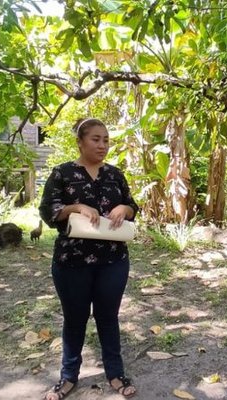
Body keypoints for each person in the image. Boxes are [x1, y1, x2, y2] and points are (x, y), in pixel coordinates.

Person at [39, 118, 139, 399]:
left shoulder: (115, 175)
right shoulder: (63, 173)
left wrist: (123, 208)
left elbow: (133, 206)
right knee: (75, 318)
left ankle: (116, 374)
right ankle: (68, 377)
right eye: (96, 139)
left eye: (106, 140)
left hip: (113, 260)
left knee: (108, 317)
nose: (102, 145)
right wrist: (77, 207)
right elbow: (48, 211)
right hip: (72, 262)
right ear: (80, 142)